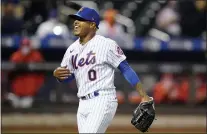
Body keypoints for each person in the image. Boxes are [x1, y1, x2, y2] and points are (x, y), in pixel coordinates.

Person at [53, 7, 154, 133]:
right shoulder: (71, 50)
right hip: (82, 103)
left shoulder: (106, 44)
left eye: (80, 19)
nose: (76, 22)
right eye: (75, 19)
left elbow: (126, 69)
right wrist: (59, 76)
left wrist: (144, 96)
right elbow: (70, 76)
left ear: (92, 25)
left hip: (102, 99)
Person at [8, 37, 45, 108]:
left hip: (30, 94)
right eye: (23, 45)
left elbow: (42, 73)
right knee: (12, 101)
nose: (25, 47)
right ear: (20, 46)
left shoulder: (36, 55)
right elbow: (10, 74)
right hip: (16, 94)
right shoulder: (16, 56)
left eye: (27, 45)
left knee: (26, 105)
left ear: (30, 45)